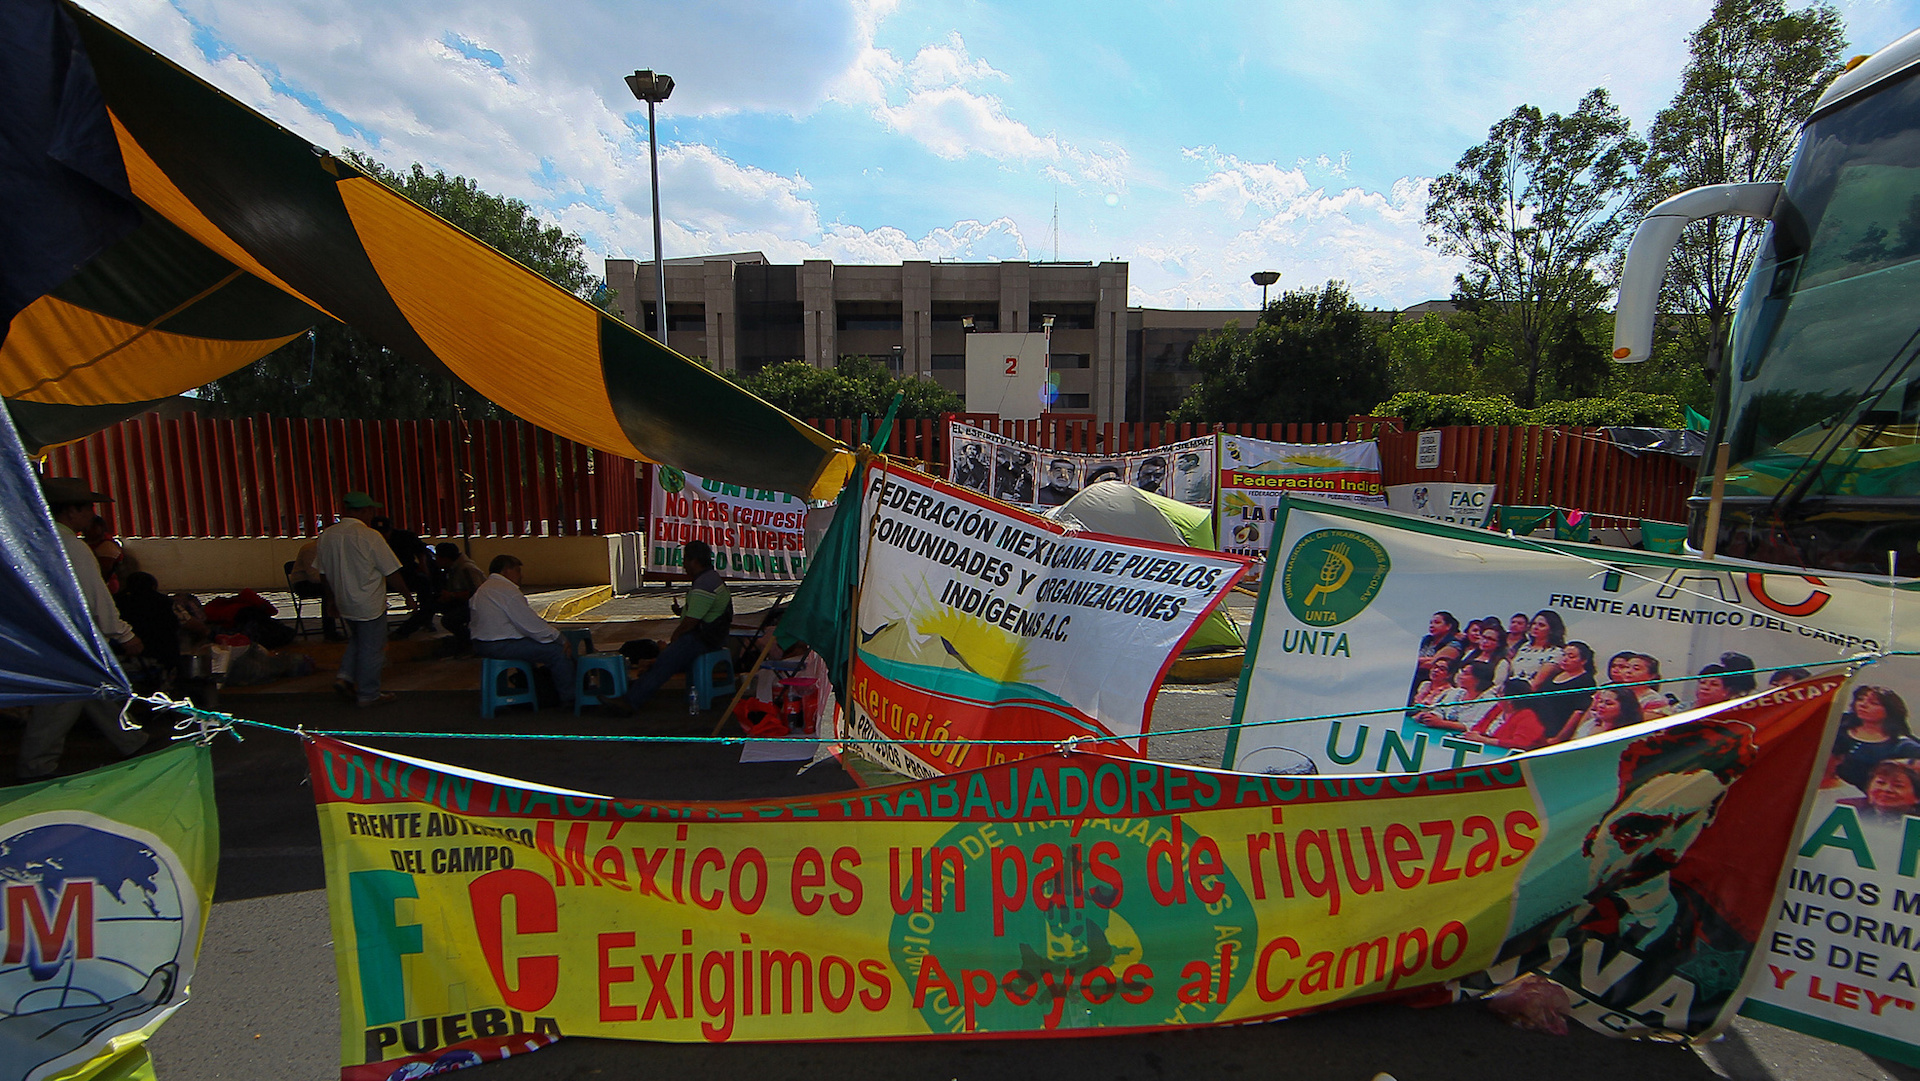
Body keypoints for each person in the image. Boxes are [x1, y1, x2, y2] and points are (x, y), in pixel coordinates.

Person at [1488, 721, 1757, 1033]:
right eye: (1641, 828)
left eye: (1685, 821)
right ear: (1606, 816)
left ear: (1709, 816)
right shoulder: (1530, 890)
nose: (1663, 843)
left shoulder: (1713, 933)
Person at [19, 478, 150, 779]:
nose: (93, 514)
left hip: (46, 632)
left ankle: (131, 739)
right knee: (64, 700)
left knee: (97, 689)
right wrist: (123, 633)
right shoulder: (72, 547)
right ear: (71, 511)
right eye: (88, 507)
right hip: (73, 635)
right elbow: (95, 596)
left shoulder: (36, 540)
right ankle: (36, 766)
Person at [605, 539, 734, 713]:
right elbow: (698, 611)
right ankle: (634, 692)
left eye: (685, 560)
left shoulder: (704, 584)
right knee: (662, 661)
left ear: (694, 561)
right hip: (709, 635)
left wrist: (674, 640)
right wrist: (680, 612)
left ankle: (631, 701)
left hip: (704, 639)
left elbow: (690, 622)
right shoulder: (710, 578)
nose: (683, 564)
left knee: (665, 662)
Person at [315, 492, 413, 708]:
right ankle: (368, 693)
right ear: (365, 511)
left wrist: (331, 600)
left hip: (343, 600)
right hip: (368, 602)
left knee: (358, 640)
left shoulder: (327, 535)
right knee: (373, 648)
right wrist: (407, 596)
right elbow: (391, 570)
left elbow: (322, 573)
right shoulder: (369, 536)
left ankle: (345, 676)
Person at [469, 555, 575, 710]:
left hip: (482, 643)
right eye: (517, 571)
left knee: (533, 648)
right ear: (506, 571)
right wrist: (559, 637)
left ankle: (532, 690)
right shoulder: (506, 590)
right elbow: (530, 624)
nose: (521, 576)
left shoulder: (486, 588)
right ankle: (570, 698)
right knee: (557, 652)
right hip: (499, 644)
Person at [1829, 686, 1919, 790]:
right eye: (1860, 699)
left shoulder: (1902, 745)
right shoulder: (1837, 724)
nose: (1863, 705)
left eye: (1874, 703)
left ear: (1889, 710)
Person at [1531, 640, 1597, 742]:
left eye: (1571, 657)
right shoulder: (1555, 673)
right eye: (1564, 655)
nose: (1565, 659)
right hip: (1536, 725)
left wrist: (1558, 738)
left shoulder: (1585, 681)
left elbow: (1578, 713)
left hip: (1555, 729)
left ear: (1583, 660)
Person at [1467, 678, 1552, 750]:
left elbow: (1521, 743)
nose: (1498, 696)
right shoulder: (1498, 708)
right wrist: (1474, 735)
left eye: (1500, 694)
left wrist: (1484, 740)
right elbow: (1479, 726)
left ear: (1510, 699)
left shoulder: (1528, 715)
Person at [1415, 661, 1499, 732]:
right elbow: (1440, 710)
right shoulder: (1456, 692)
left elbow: (1477, 726)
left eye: (1465, 674)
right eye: (1461, 672)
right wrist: (1429, 717)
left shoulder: (1489, 701)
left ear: (1478, 679)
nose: (1460, 676)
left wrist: (1443, 723)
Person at [431, 543, 487, 648]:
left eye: (438, 557)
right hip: (464, 602)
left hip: (477, 605)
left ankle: (470, 643)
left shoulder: (466, 569)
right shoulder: (451, 569)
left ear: (446, 558)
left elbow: (478, 593)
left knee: (449, 620)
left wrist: (452, 595)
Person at [1496, 609, 1566, 692]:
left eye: (1541, 625)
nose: (1535, 627)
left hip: (1525, 694)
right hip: (1505, 688)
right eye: (1533, 624)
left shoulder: (1556, 653)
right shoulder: (1525, 646)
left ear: (1551, 630)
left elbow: (1536, 684)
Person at [289, 537, 344, 640]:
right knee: (328, 592)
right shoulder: (311, 549)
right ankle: (329, 631)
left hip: (318, 581)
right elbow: (313, 576)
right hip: (304, 584)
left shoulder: (327, 548)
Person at [1408, 611, 1465, 704]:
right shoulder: (1426, 640)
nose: (1432, 625)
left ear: (1448, 626)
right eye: (1431, 622)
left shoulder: (1454, 644)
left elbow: (1432, 664)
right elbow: (1410, 660)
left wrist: (1418, 661)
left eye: (1437, 623)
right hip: (1415, 679)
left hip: (1434, 683)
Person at [1563, 686, 1645, 743]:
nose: (1601, 706)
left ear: (1624, 707)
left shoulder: (1629, 732)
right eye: (1600, 701)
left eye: (1609, 703)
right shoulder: (1590, 724)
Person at [82, 514, 131, 593]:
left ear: (101, 528)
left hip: (105, 586)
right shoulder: (86, 542)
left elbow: (104, 571)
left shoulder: (107, 546)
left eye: (92, 527)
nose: (87, 530)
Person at [1625, 654, 1677, 719]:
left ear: (1651, 676)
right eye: (1626, 667)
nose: (1628, 671)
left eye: (1636, 669)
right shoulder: (1615, 693)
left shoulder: (1655, 700)